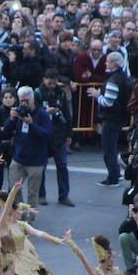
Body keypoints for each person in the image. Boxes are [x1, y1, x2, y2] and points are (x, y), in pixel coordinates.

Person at [5, 86, 52, 208]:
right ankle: (19, 215)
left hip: (36, 161)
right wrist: (11, 118)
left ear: (33, 99)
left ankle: (30, 220)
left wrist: (31, 124)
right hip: (19, 158)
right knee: (14, 190)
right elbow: (6, 130)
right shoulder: (19, 112)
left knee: (32, 193)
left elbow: (47, 134)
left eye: (27, 101)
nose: (24, 104)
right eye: (21, 101)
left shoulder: (42, 114)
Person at [35, 69, 75, 207]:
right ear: (44, 79)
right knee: (41, 166)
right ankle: (41, 195)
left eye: (54, 81)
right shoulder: (38, 94)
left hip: (59, 135)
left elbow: (67, 115)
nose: (51, 84)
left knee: (62, 165)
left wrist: (69, 134)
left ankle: (64, 195)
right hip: (43, 135)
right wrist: (46, 113)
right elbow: (34, 113)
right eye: (49, 81)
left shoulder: (61, 93)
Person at [88, 51, 128, 188]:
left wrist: (96, 96)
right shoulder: (123, 77)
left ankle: (113, 177)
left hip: (111, 118)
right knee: (112, 147)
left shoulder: (112, 80)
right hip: (119, 117)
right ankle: (116, 173)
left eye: (108, 61)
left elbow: (108, 102)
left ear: (114, 64)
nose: (106, 63)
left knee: (108, 149)